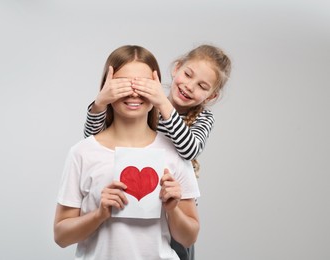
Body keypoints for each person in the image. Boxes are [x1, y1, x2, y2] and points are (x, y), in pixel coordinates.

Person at [83, 44, 232, 259]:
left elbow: (189, 149)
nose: (190, 86)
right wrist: (100, 103)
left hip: (173, 207)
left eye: (202, 86)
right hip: (134, 201)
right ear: (176, 68)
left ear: (211, 96)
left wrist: (163, 103)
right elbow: (92, 141)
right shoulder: (146, 103)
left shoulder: (201, 117)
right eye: (188, 75)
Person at [54, 45, 200, 260]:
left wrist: (173, 208)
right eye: (122, 83)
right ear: (107, 88)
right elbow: (61, 236)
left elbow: (188, 238)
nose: (133, 91)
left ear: (157, 89)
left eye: (144, 84)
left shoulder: (174, 152)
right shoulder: (82, 152)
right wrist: (99, 214)